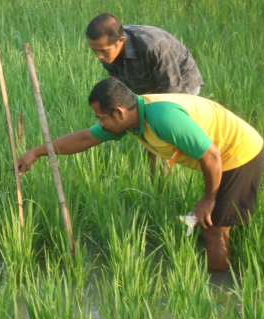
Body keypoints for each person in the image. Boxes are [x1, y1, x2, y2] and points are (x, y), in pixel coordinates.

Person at [17, 77, 264, 271]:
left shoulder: (163, 117)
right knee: (220, 221)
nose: (100, 124)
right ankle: (234, 258)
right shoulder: (133, 117)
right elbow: (85, 137)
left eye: (101, 118)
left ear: (119, 112)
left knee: (213, 228)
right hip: (219, 155)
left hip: (237, 153)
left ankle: (219, 294)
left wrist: (208, 199)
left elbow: (211, 155)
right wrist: (37, 152)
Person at [86, 13, 204, 174]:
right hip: (146, 84)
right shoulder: (108, 52)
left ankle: (168, 186)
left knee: (163, 137)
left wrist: (159, 126)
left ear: (121, 41)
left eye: (103, 51)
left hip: (181, 84)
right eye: (95, 51)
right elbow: (118, 87)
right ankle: (158, 184)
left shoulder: (154, 46)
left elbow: (173, 93)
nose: (99, 56)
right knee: (149, 138)